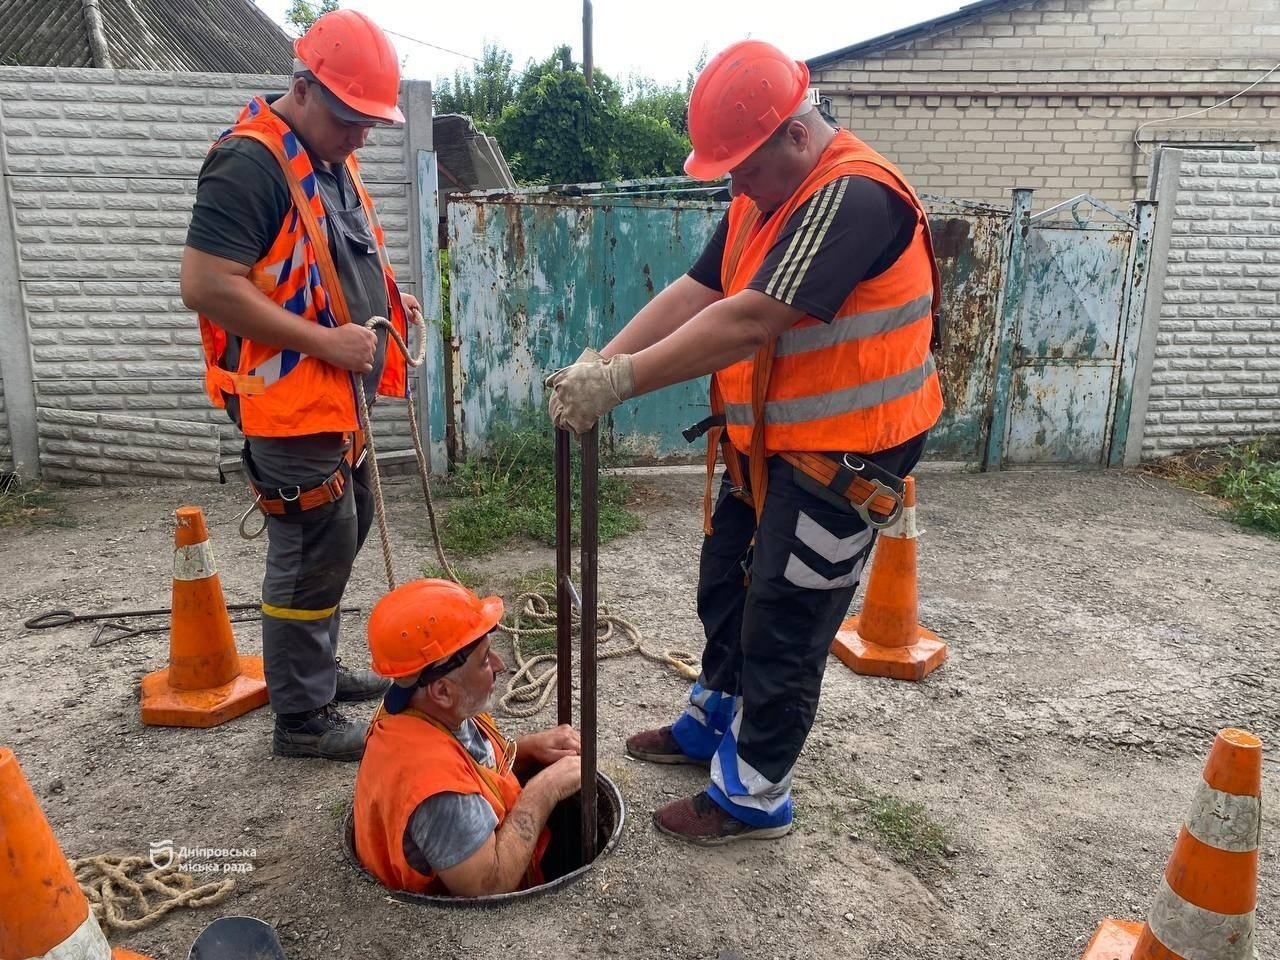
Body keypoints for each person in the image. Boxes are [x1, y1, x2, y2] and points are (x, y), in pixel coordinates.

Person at [547, 39, 943, 845]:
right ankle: (712, 718)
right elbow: (698, 290)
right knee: (725, 589)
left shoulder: (857, 198)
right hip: (765, 447)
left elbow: (749, 317)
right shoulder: (763, 198)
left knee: (787, 622)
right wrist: (602, 359)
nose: (735, 187)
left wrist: (623, 384)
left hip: (846, 456)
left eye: (744, 167)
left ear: (796, 136)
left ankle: (755, 795)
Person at [180, 10, 421, 761]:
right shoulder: (249, 165)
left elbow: (323, 260)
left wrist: (386, 299)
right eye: (353, 118)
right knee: (313, 544)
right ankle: (302, 721)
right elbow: (205, 283)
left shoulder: (326, 159)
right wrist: (327, 342)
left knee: (343, 533)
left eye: (371, 122)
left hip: (333, 399)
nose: (363, 136)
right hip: (287, 403)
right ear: (304, 88)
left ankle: (314, 674)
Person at [352, 579, 583, 897]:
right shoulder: (437, 791)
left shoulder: (421, 710)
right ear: (442, 691)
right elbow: (489, 885)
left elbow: (471, 770)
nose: (500, 665)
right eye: (485, 660)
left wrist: (524, 751)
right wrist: (545, 789)